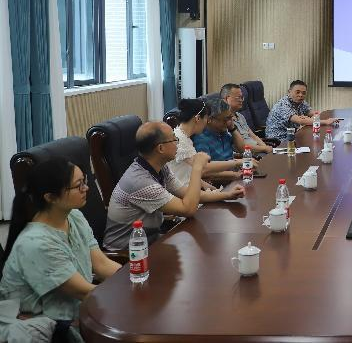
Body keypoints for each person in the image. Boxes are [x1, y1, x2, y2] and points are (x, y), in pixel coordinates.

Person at [1, 158, 121, 342]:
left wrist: (136, 278)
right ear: (50, 197)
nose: (86, 188)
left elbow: (101, 264)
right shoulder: (36, 243)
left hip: (76, 313)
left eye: (84, 181)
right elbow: (84, 292)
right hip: (41, 328)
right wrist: (128, 294)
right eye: (78, 185)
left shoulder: (74, 216)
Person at [103, 121, 245, 251]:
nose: (177, 143)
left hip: (151, 241)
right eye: (174, 139)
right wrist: (197, 168)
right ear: (160, 148)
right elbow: (188, 209)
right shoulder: (141, 182)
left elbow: (188, 193)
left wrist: (227, 195)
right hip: (129, 254)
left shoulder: (159, 168)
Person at [169, 98, 255, 188]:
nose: (206, 122)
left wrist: (217, 192)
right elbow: (202, 168)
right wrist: (237, 163)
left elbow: (193, 175)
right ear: (198, 118)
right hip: (184, 192)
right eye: (206, 118)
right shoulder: (179, 140)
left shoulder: (185, 138)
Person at [267, 79, 335, 142]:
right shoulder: (283, 105)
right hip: (278, 140)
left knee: (317, 139)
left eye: (303, 93)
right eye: (297, 92)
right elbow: (301, 121)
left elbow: (315, 113)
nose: (300, 95)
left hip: (293, 135)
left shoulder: (301, 102)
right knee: (315, 141)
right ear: (289, 92)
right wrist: (326, 122)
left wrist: (309, 119)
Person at [221, 83, 274, 154]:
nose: (241, 100)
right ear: (227, 99)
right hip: (247, 155)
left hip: (258, 150)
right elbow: (238, 147)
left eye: (242, 97)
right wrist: (264, 149)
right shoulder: (224, 121)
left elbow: (253, 136)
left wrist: (266, 148)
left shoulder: (240, 116)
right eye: (238, 97)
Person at [192, 97, 245, 162]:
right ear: (209, 119)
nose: (229, 123)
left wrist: (233, 129)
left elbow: (242, 150)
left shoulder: (223, 132)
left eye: (230, 117)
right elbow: (205, 167)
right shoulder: (201, 139)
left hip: (232, 166)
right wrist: (237, 165)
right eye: (225, 120)